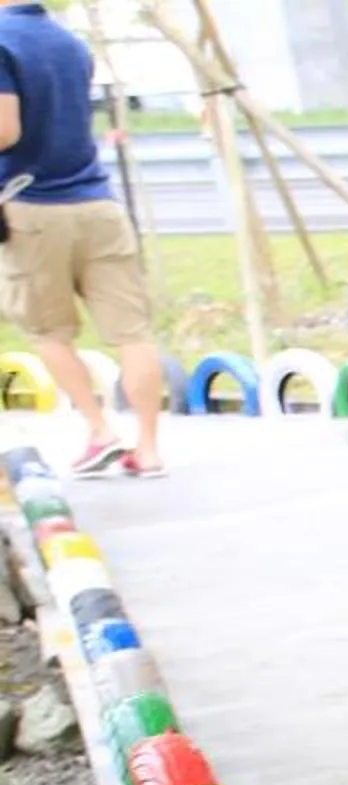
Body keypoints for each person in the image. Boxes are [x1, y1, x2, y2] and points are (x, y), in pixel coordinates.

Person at [0, 0, 166, 477]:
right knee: (132, 332)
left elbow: (6, 129)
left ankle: (100, 433)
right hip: (98, 203)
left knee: (48, 331)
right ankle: (150, 451)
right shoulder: (70, 42)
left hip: (32, 206)